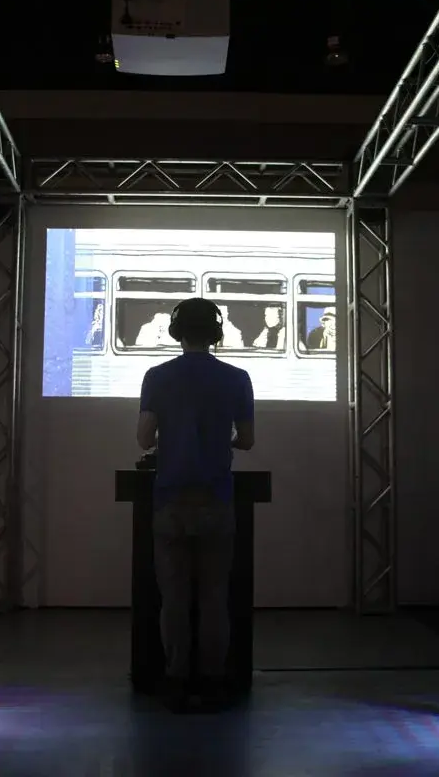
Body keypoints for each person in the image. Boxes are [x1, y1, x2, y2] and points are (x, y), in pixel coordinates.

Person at [136, 297, 255, 712]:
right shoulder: (237, 378)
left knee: (173, 599)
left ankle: (176, 678)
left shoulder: (157, 376)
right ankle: (212, 680)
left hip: (170, 501)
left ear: (176, 332)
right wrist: (223, 440)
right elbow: (248, 440)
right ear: (216, 332)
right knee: (214, 598)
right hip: (217, 501)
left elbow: (143, 438)